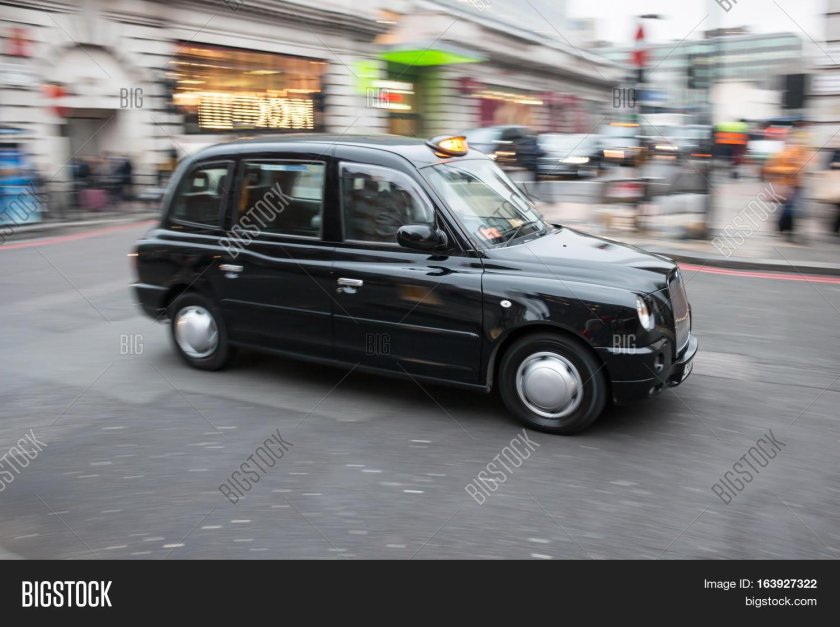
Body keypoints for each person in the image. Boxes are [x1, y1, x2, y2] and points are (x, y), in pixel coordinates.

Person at [764, 127, 810, 241]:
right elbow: (770, 168)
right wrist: (788, 170)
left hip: (798, 185)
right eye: (793, 139)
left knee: (793, 208)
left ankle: (786, 229)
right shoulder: (781, 153)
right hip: (785, 185)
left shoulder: (802, 152)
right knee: (788, 208)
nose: (796, 141)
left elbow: (804, 165)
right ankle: (784, 229)